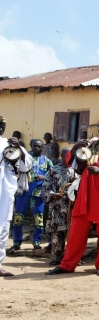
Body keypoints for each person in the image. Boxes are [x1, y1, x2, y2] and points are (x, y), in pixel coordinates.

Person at [46, 119, 99, 276]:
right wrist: (77, 147)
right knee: (76, 232)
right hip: (86, 196)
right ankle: (67, 264)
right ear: (98, 131)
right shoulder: (90, 147)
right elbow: (72, 162)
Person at [0, 117, 32, 276]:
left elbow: (27, 167)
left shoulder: (9, 144)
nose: (1, 129)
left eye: (2, 126)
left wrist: (18, 147)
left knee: (4, 226)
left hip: (6, 191)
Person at [8, 139, 52, 252]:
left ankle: (36, 241)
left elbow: (52, 176)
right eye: (34, 146)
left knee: (39, 219)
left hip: (38, 193)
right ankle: (17, 242)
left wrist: (43, 177)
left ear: (43, 147)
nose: (36, 148)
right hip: (23, 192)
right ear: (31, 146)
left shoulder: (47, 161)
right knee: (18, 217)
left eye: (39, 146)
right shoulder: (24, 157)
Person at [42, 147, 76, 266]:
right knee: (57, 232)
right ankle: (57, 257)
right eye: (67, 156)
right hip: (57, 206)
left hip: (72, 207)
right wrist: (52, 195)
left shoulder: (76, 171)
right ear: (62, 156)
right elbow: (45, 187)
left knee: (73, 233)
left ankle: (73, 258)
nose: (70, 158)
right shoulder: (53, 170)